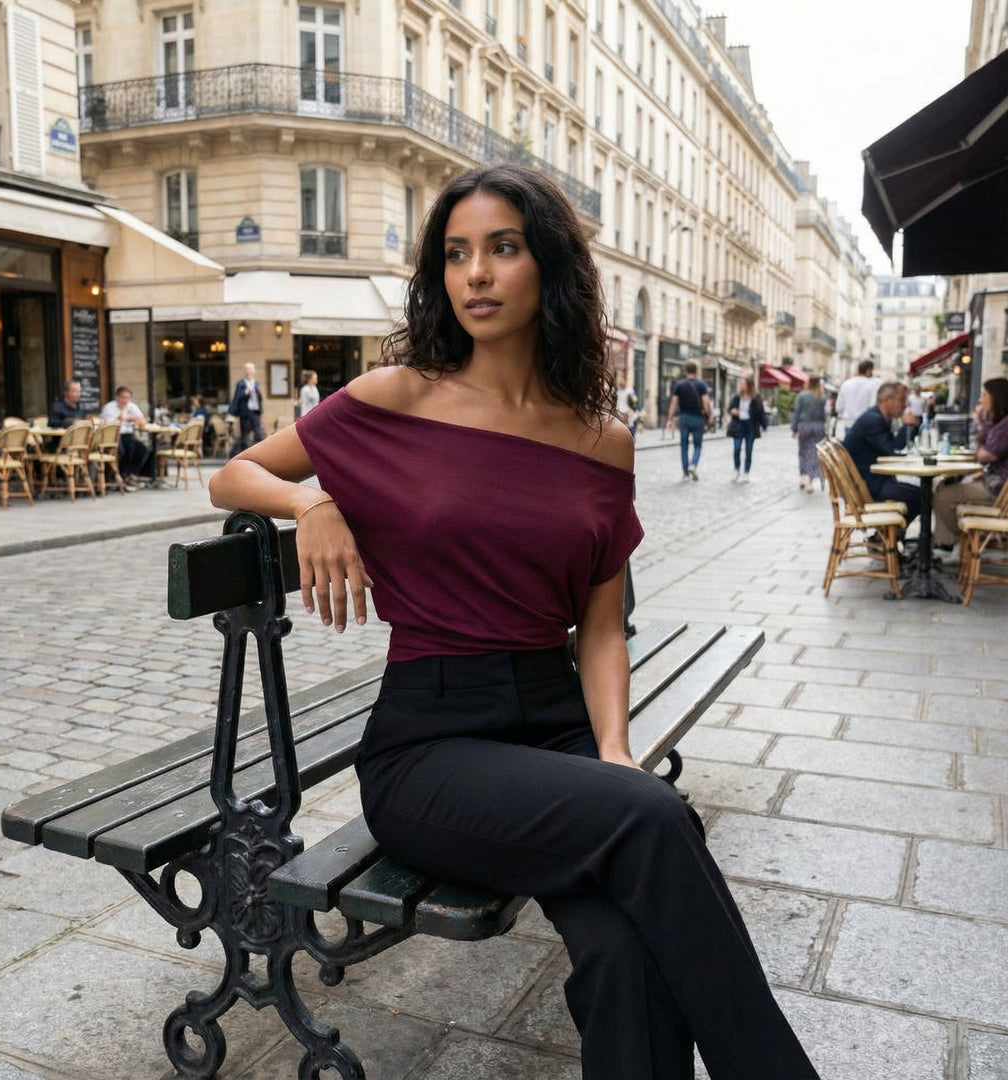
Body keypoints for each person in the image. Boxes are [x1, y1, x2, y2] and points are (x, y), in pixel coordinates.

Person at [209, 163, 818, 1080]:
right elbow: (230, 474)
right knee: (655, 822)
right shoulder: (396, 397)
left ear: (550, 270)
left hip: (559, 730)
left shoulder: (602, 440)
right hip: (431, 745)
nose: (477, 275)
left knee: (624, 947)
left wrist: (612, 750)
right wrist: (314, 507)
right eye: (456, 255)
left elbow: (602, 626)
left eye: (502, 248)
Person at [933, 378, 1008, 555]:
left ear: (997, 397)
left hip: (998, 489)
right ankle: (946, 542)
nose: (981, 400)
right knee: (945, 486)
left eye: (984, 395)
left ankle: (955, 541)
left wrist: (980, 423)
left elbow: (984, 456)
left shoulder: (1005, 425)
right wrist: (983, 421)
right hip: (996, 484)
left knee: (942, 496)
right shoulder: (1001, 423)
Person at [843, 381, 920, 523]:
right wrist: (908, 425)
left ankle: (888, 536)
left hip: (870, 481)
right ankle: (888, 537)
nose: (905, 406)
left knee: (918, 493)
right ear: (887, 400)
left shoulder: (877, 417)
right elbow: (893, 451)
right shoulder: (873, 420)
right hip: (866, 487)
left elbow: (892, 451)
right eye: (902, 400)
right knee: (922, 496)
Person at [664, 359, 713, 481]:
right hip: (698, 418)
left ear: (686, 371)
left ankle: (685, 473)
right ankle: (693, 465)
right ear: (696, 371)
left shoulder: (679, 385)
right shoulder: (701, 385)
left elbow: (674, 402)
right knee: (697, 445)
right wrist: (710, 415)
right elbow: (706, 402)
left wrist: (669, 419)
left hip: (684, 417)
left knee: (684, 446)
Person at [100, 386, 148, 490]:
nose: (125, 401)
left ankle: (130, 474)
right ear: (117, 397)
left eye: (127, 398)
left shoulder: (131, 407)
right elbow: (109, 425)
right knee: (124, 450)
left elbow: (142, 421)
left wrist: (131, 419)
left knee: (143, 449)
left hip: (128, 434)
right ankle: (119, 474)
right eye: (122, 397)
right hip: (113, 435)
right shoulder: (109, 407)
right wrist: (123, 419)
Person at [726, 375, 767, 483]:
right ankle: (736, 468)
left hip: (750, 426)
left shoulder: (755, 398)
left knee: (748, 450)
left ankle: (746, 472)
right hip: (738, 425)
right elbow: (729, 408)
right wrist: (732, 411)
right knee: (737, 448)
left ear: (749, 385)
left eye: (743, 384)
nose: (741, 386)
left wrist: (764, 426)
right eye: (741, 384)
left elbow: (760, 412)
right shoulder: (737, 397)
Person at [791, 374, 828, 491]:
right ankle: (810, 481)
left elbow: (796, 412)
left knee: (802, 452)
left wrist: (794, 428)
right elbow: (826, 414)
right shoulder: (822, 397)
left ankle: (802, 477)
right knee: (813, 454)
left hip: (804, 426)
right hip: (818, 426)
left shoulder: (801, 396)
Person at [833, 359, 879, 439]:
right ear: (868, 370)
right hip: (866, 425)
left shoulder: (846, 384)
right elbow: (874, 405)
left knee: (849, 450)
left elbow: (839, 407)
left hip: (848, 424)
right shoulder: (874, 384)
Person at [228, 362, 266, 455]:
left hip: (255, 412)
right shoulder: (241, 384)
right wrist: (246, 394)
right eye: (247, 369)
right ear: (245, 371)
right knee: (244, 435)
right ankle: (245, 455)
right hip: (245, 413)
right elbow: (238, 398)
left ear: (254, 371)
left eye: (250, 369)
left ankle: (259, 453)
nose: (248, 371)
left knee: (259, 434)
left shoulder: (256, 383)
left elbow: (260, 398)